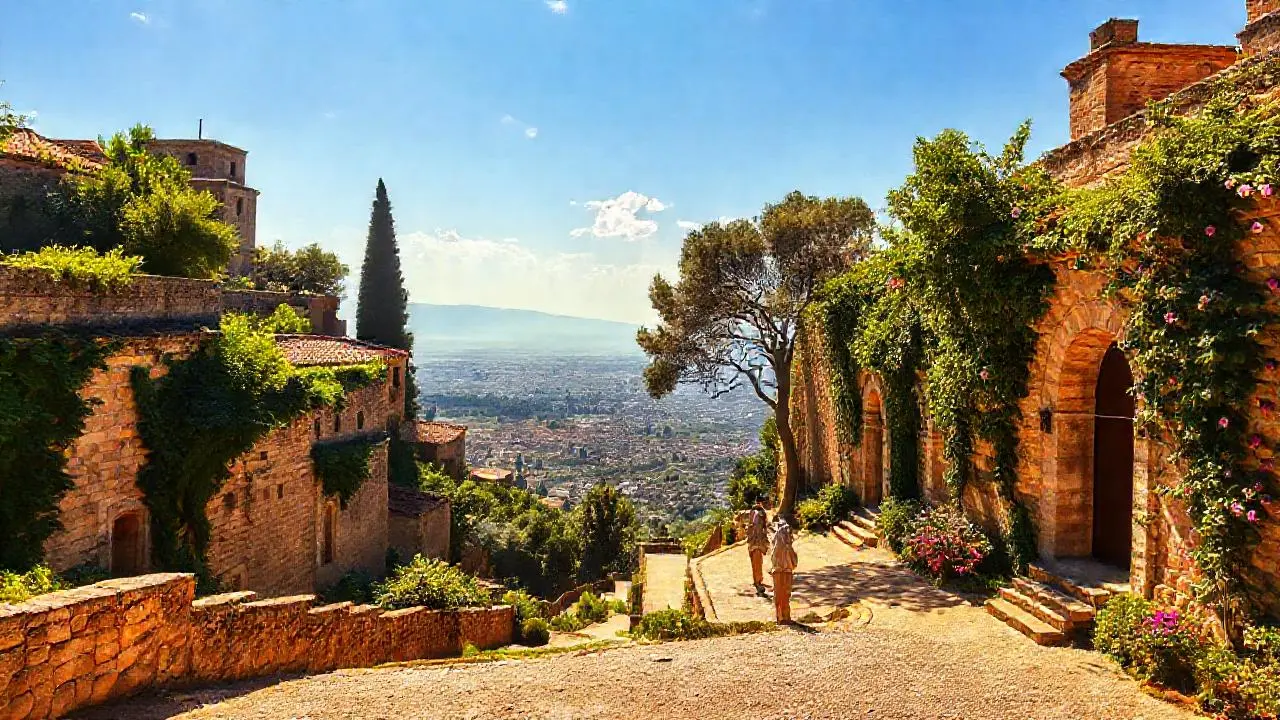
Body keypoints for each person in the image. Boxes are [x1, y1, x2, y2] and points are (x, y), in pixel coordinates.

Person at [769, 518, 798, 624]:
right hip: (785, 571)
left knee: (781, 594)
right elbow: (794, 562)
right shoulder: (787, 547)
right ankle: (784, 616)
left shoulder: (777, 545)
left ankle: (781, 617)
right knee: (784, 594)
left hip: (780, 571)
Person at [745, 501, 769, 589]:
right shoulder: (759, 514)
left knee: (756, 562)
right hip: (756, 543)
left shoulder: (756, 514)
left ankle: (757, 580)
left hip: (755, 543)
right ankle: (757, 580)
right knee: (757, 562)